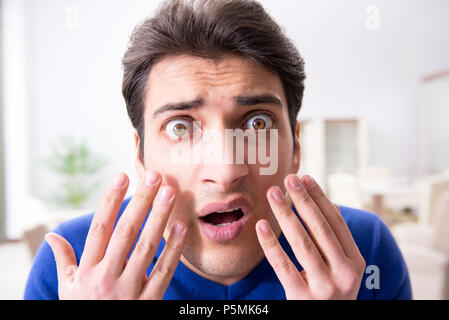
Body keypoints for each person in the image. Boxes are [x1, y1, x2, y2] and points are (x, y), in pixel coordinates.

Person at [24, 0, 412, 300]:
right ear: (141, 156)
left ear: (295, 146)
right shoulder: (72, 267)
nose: (226, 169)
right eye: (180, 127)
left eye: (257, 123)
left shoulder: (365, 251)